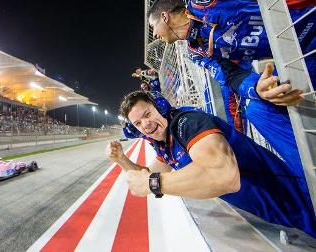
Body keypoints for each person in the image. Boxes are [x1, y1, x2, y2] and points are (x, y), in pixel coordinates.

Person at [109, 90, 316, 237]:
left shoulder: (187, 123)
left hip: (302, 197)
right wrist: (122, 160)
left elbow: (224, 176)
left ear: (160, 107)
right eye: (138, 123)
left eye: (147, 114)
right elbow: (145, 175)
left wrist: (153, 184)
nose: (145, 124)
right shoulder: (166, 145)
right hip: (285, 213)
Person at [116, 0, 316, 85]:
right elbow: (231, 77)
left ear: (164, 16)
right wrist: (255, 90)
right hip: (297, 53)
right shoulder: (196, 49)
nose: (155, 34)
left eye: (153, 27)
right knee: (261, 103)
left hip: (304, 17)